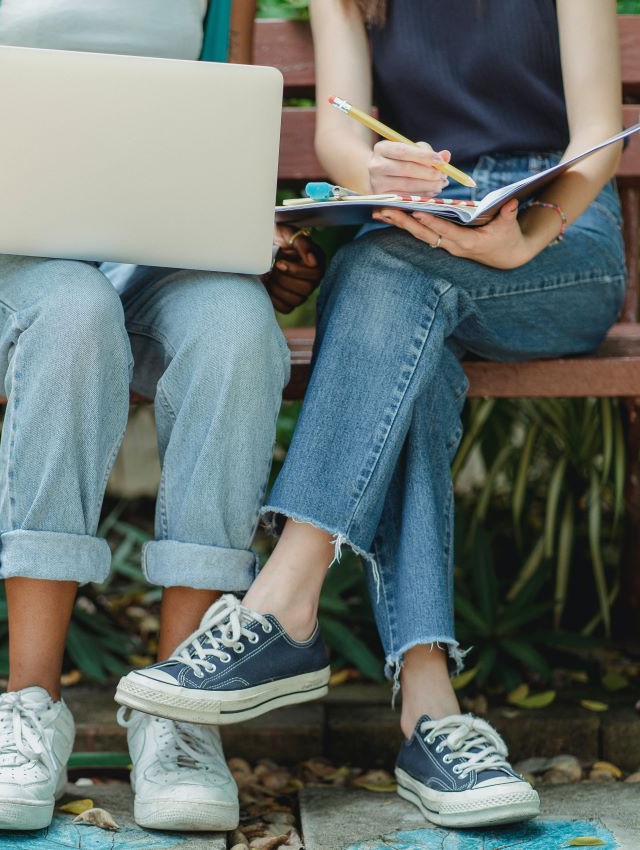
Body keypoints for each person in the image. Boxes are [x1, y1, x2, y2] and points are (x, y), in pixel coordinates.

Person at [115, 0, 627, 829]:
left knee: (384, 279)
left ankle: (283, 600)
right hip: (425, 221)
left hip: (558, 235)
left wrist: (523, 235)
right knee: (401, 321)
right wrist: (378, 169)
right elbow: (340, 135)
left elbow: (597, 136)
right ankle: (432, 716)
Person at [0, 0, 324, 834]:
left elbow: (224, 166)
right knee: (71, 314)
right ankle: (27, 709)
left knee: (238, 332)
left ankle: (181, 714)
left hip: (150, 256)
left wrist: (261, 250)